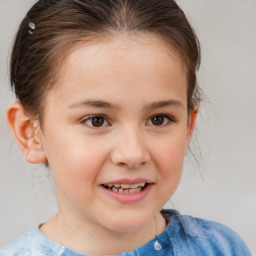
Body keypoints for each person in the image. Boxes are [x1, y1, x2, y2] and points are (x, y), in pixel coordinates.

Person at [0, 0, 251, 255]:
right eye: (96, 120)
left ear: (188, 126)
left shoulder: (221, 248)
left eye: (159, 119)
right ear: (29, 133)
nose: (133, 154)